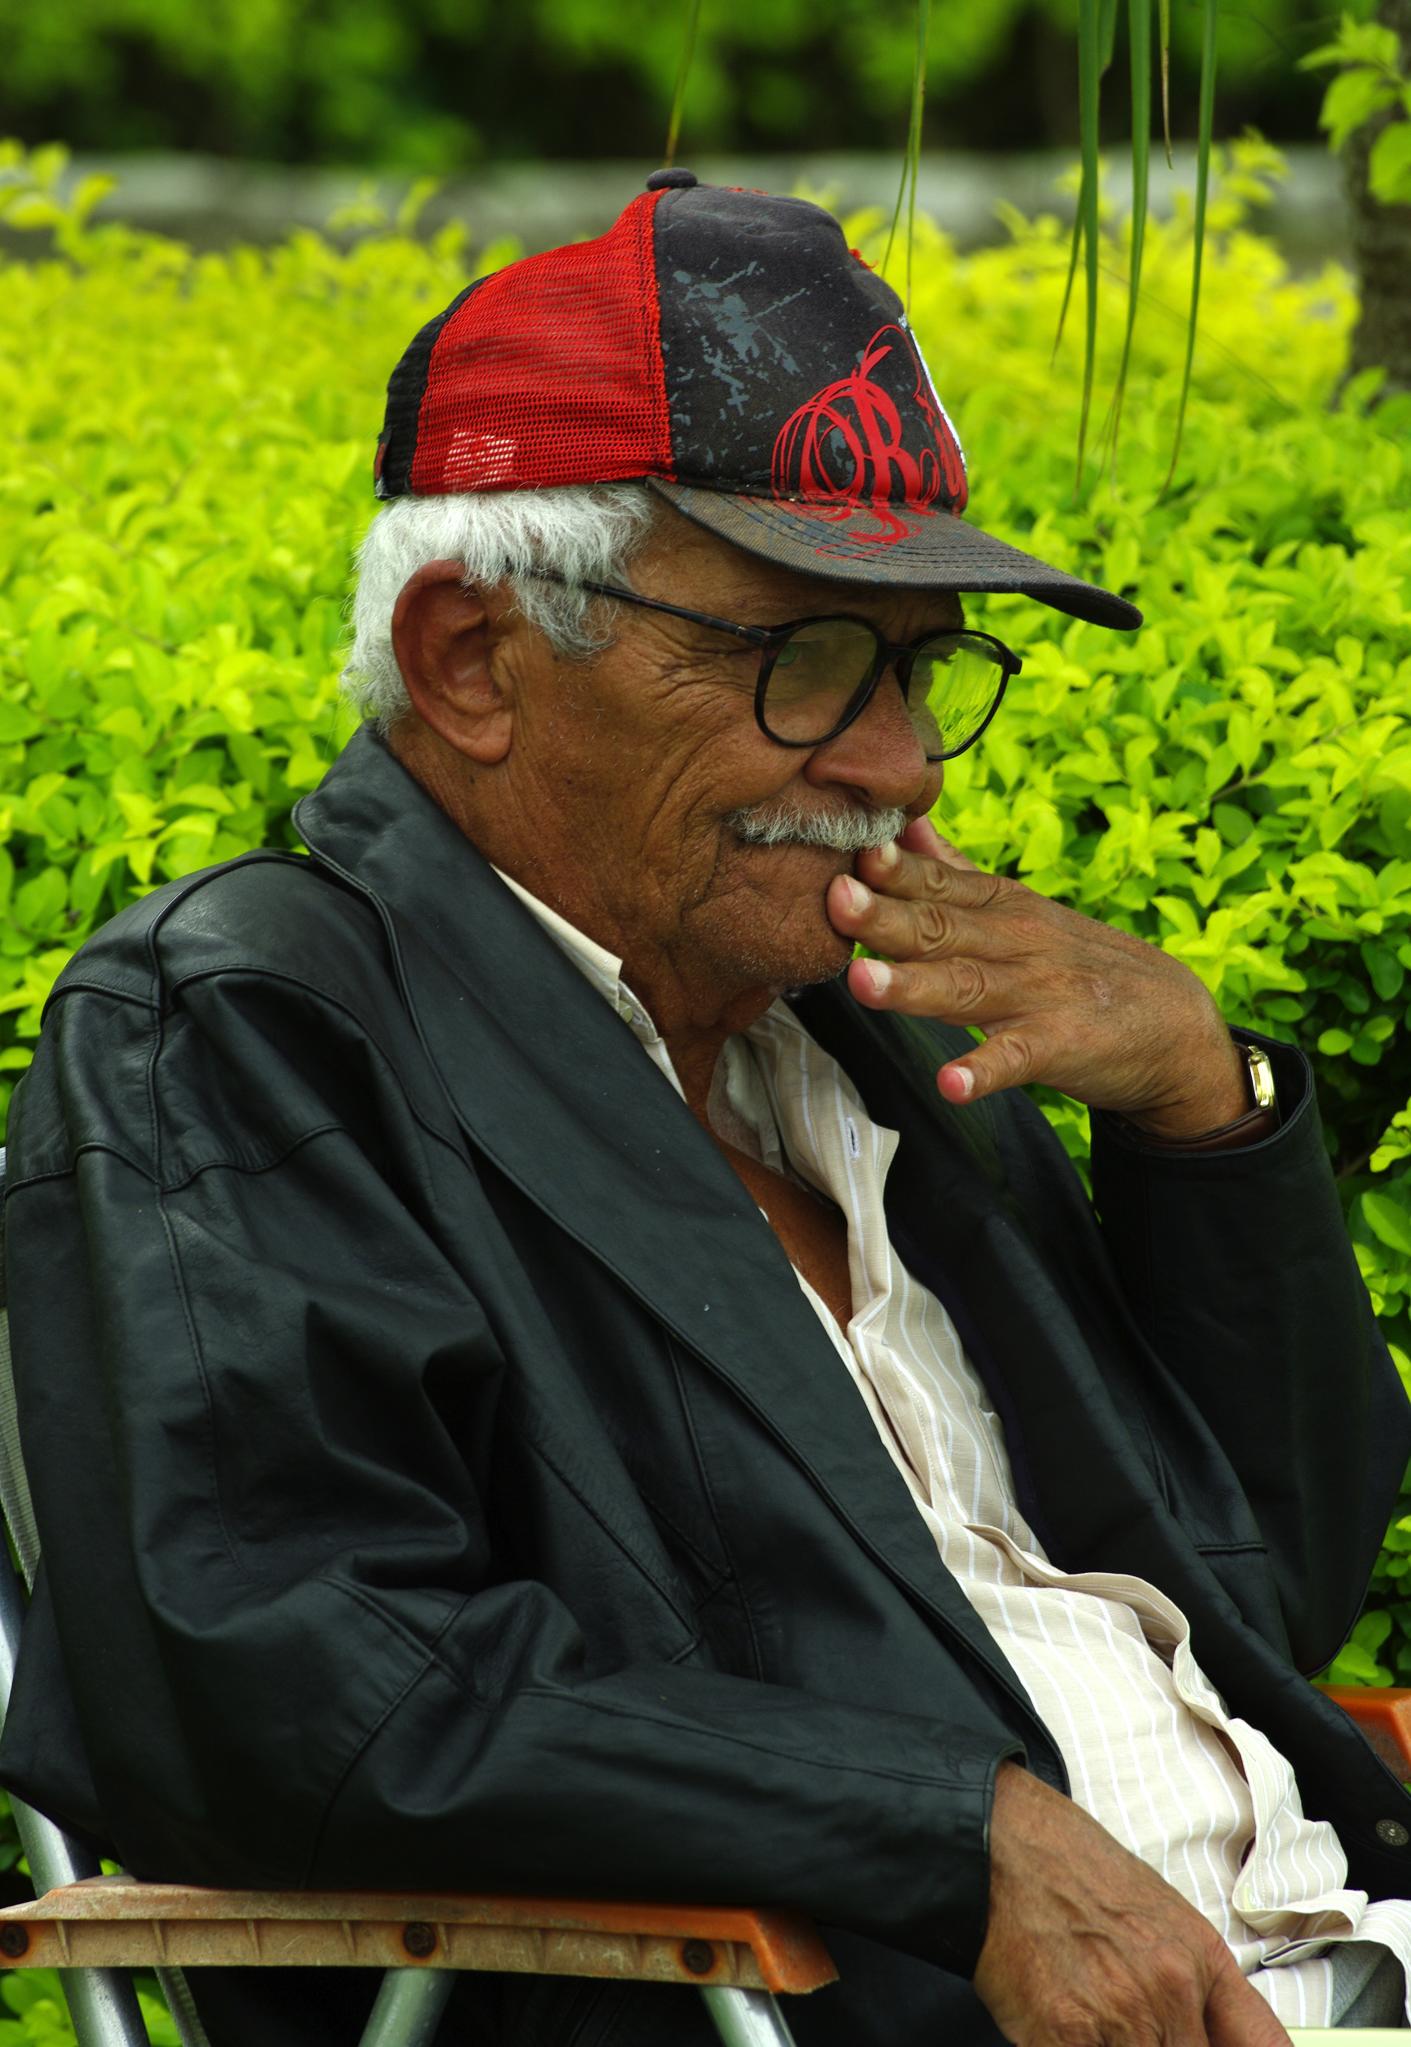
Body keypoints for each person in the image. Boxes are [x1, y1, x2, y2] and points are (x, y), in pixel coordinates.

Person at [2, 171, 1409, 2047]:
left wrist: (1206, 1120)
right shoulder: (246, 1019)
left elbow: (1267, 1600)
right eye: (804, 658)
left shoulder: (865, 1041)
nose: (901, 763)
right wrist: (954, 1834)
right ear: (474, 660)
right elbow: (290, 1672)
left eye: (923, 665)